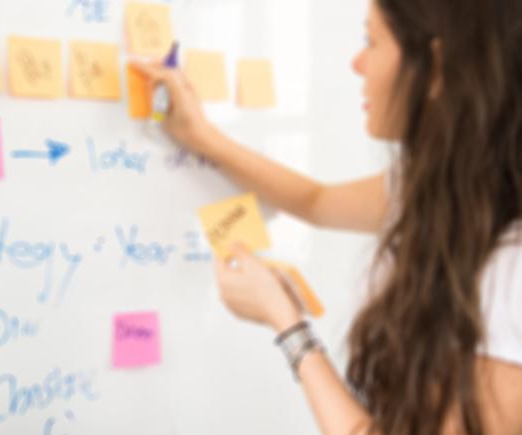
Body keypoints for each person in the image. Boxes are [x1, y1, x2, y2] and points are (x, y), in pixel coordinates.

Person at [132, 0, 522, 433]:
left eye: (370, 42)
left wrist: (286, 322)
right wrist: (202, 137)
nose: (356, 64)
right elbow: (314, 201)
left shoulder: (511, 268)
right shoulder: (451, 190)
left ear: (435, 68)